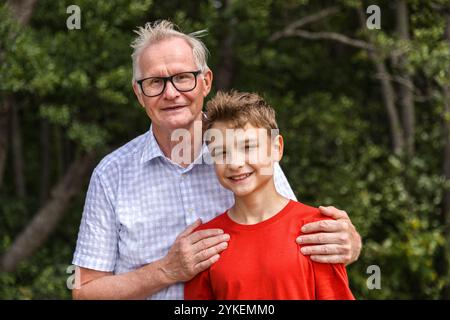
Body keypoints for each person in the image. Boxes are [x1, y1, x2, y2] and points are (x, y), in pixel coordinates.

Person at [71, 20, 362, 300]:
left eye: (182, 77)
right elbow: (84, 291)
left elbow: (294, 238)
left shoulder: (250, 157)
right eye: (155, 82)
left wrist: (350, 244)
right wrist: (165, 271)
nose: (171, 93)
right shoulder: (111, 174)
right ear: (139, 93)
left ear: (205, 81)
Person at [185, 91, 354, 299]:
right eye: (221, 152)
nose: (235, 163)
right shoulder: (207, 243)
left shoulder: (316, 230)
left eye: (248, 147)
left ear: (276, 148)